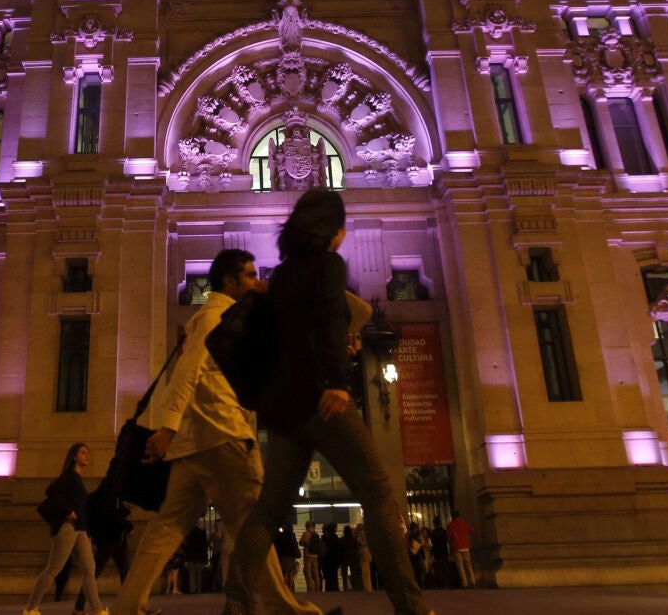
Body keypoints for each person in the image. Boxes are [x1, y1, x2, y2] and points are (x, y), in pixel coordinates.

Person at [230, 189, 434, 615]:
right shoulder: (328, 265)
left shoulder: (282, 276)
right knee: (377, 492)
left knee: (269, 509)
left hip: (282, 406)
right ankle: (411, 606)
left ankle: (236, 604)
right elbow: (326, 320)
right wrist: (336, 381)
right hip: (319, 399)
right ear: (333, 231)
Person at [111, 249, 313, 615]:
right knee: (253, 519)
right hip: (222, 437)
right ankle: (282, 606)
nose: (256, 281)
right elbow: (187, 373)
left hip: (196, 445)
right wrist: (168, 426)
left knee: (166, 528)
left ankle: (128, 605)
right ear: (228, 281)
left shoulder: (225, 317)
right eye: (250, 276)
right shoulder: (216, 317)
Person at [21, 443, 106, 615]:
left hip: (80, 529)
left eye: (88, 453)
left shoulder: (77, 478)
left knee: (89, 569)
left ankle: (97, 610)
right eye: (83, 453)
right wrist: (67, 511)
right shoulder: (69, 476)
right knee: (54, 569)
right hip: (68, 528)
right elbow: (51, 490)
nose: (87, 455)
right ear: (74, 456)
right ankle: (30, 609)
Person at [445, 510, 474, 588]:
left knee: (460, 566)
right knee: (468, 565)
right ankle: (472, 582)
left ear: (452, 516)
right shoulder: (464, 523)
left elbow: (448, 535)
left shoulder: (451, 525)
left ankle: (464, 583)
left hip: (456, 547)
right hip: (465, 546)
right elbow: (471, 530)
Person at [272, 527, 300, 594]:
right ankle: (289, 589)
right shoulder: (292, 536)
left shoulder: (280, 536)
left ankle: (285, 588)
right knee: (290, 573)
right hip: (291, 557)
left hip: (283, 556)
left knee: (285, 573)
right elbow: (295, 545)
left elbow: (277, 546)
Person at [300, 523, 324, 594]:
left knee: (308, 573)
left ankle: (311, 589)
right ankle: (318, 588)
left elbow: (301, 542)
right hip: (315, 555)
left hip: (308, 555)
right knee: (316, 573)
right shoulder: (315, 534)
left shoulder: (306, 533)